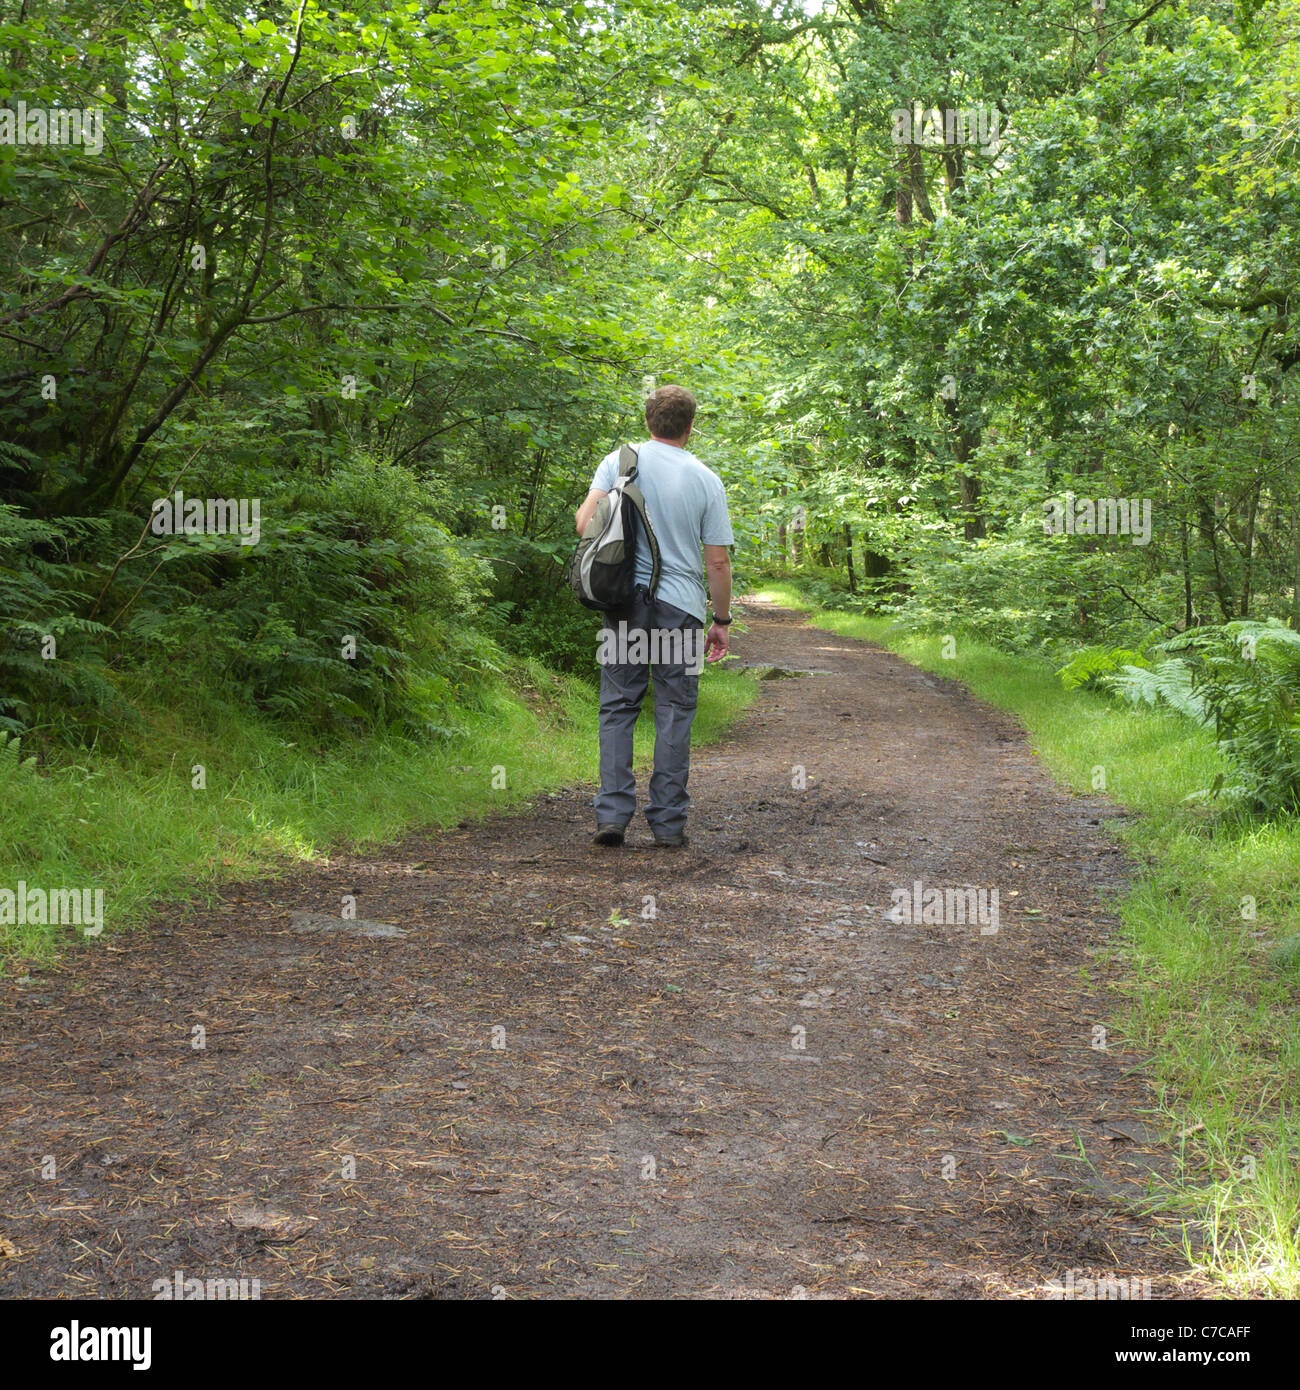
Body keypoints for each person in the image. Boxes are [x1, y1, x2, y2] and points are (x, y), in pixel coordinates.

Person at [574, 385, 734, 848]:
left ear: (648, 422)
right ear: (689, 426)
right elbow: (718, 562)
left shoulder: (620, 461)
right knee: (675, 710)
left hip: (624, 605)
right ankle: (667, 824)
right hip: (680, 612)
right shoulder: (706, 478)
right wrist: (720, 620)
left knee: (618, 706)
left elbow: (585, 524)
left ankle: (612, 816)